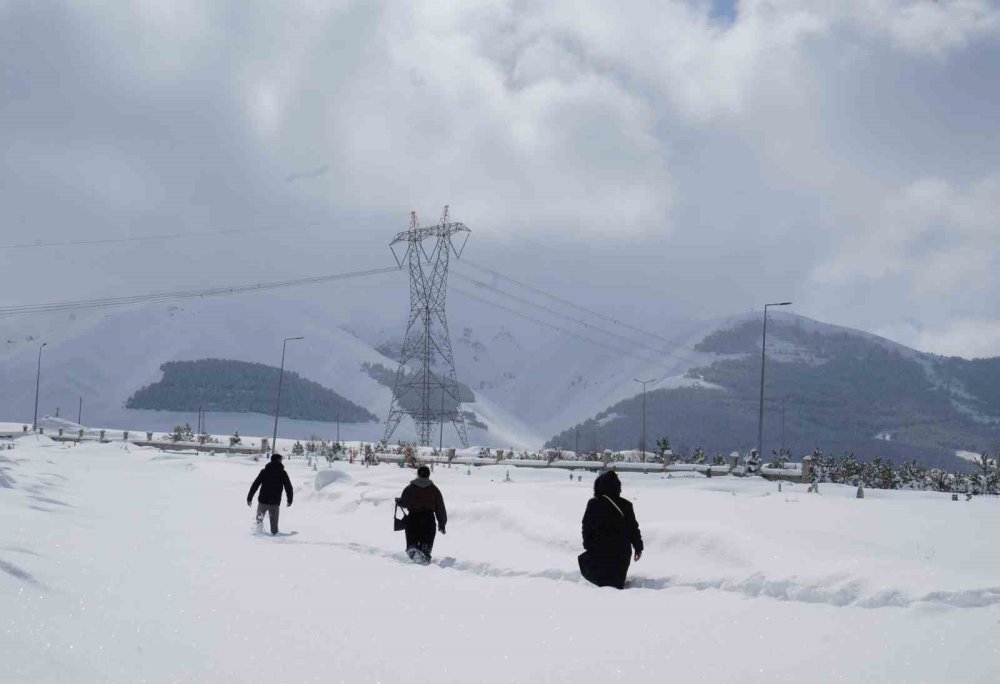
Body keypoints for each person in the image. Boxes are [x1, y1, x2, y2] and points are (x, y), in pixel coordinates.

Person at [579, 470, 643, 589]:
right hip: (622, 554)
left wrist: (588, 546)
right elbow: (633, 529)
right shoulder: (626, 505)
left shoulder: (594, 504)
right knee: (616, 584)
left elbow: (586, 527)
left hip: (600, 552)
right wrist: (638, 548)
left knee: (602, 585)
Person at [397, 465, 447, 563]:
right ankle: (424, 556)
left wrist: (399, 501)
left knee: (412, 546)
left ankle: (414, 558)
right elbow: (440, 508)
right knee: (426, 545)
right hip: (428, 520)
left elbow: (404, 503)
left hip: (413, 519)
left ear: (418, 474)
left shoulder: (410, 488)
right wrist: (442, 524)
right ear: (428, 475)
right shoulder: (434, 490)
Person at [247, 452, 293, 535]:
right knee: (274, 529)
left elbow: (255, 484)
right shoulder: (283, 473)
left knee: (258, 523)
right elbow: (288, 487)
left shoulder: (264, 471)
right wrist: (290, 499)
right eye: (281, 460)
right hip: (275, 503)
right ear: (278, 460)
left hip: (262, 502)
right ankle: (274, 538)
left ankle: (257, 536)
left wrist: (249, 498)